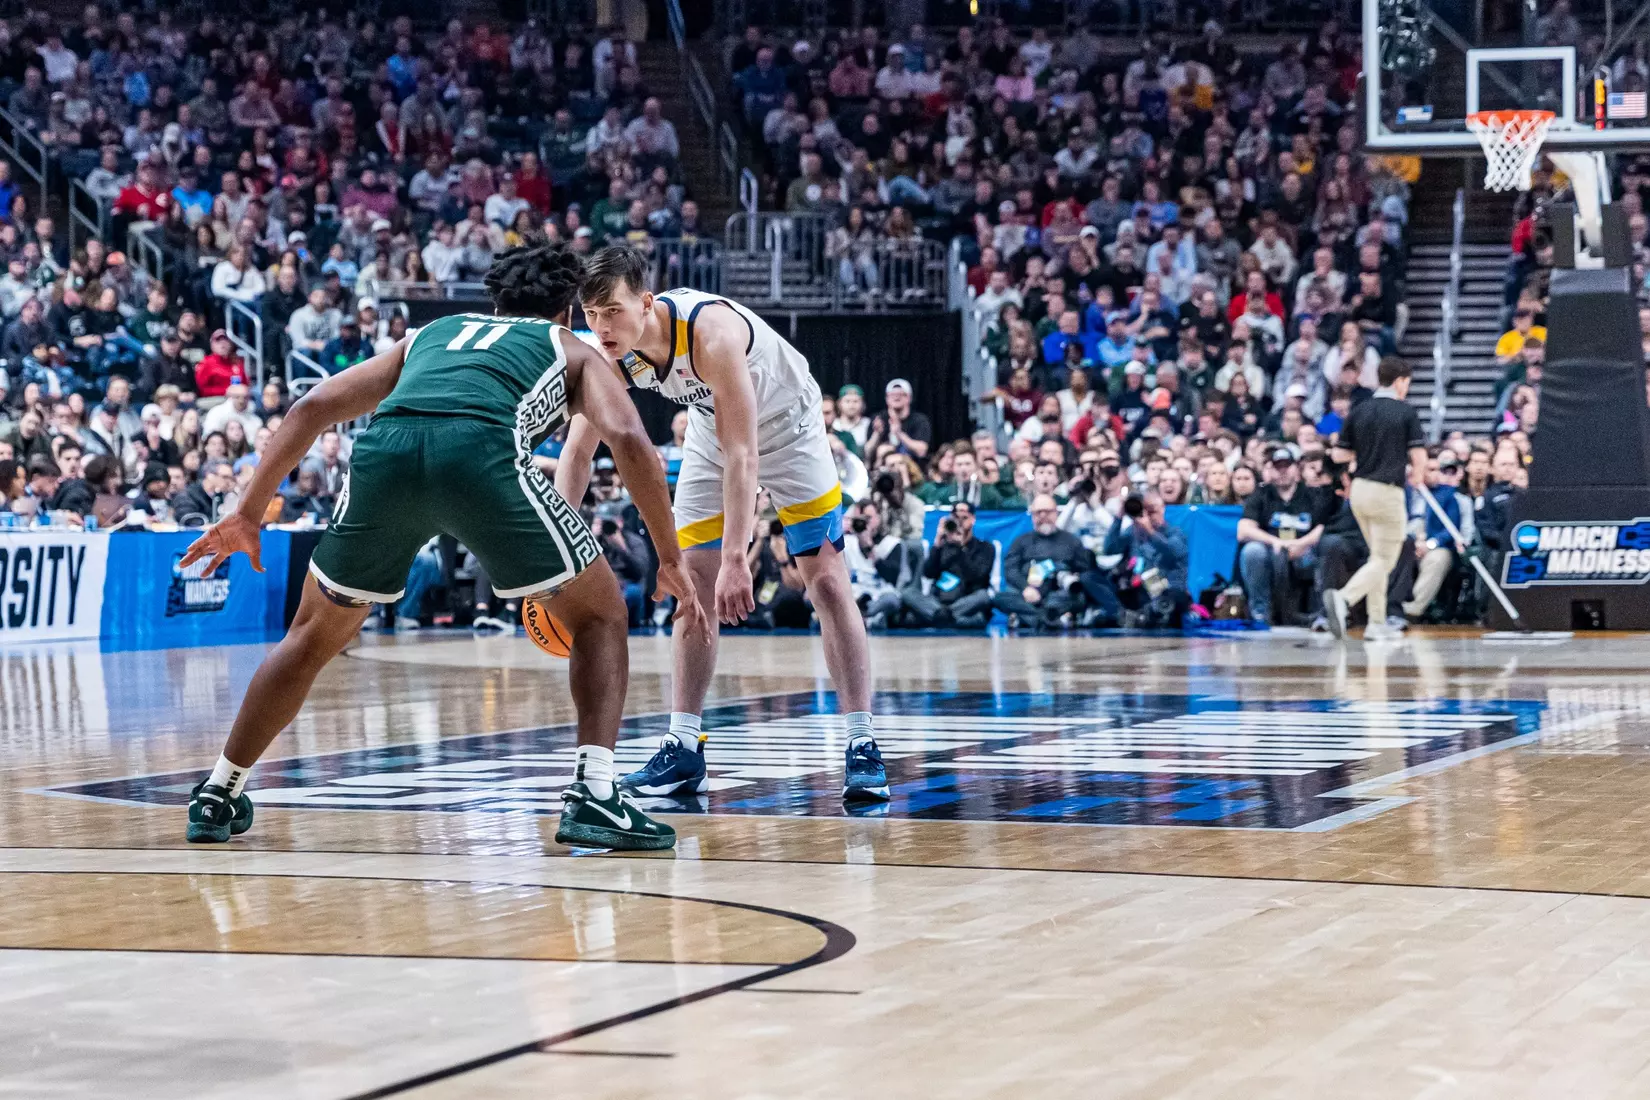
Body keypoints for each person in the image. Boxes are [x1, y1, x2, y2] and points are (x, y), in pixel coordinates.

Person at [178, 242, 706, 852]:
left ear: (497, 299)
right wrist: (668, 557)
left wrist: (247, 512)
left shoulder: (433, 331)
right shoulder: (572, 347)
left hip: (385, 455)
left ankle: (220, 789)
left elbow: (315, 405)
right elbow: (631, 441)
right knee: (601, 615)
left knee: (308, 637)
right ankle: (595, 794)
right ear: (566, 310)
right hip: (481, 455)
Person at [561, 246, 888, 802]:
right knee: (691, 584)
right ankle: (684, 747)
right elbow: (577, 453)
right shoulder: (605, 354)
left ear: (645, 303)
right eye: (590, 315)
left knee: (828, 582)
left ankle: (861, 742)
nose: (601, 326)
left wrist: (738, 556)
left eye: (612, 311)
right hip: (715, 432)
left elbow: (747, 457)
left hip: (791, 427)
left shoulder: (711, 332)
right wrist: (557, 552)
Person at [1323, 357, 1429, 642]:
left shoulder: (1359, 410)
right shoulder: (1405, 412)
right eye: (1407, 383)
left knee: (1376, 557)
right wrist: (1418, 474)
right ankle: (1343, 600)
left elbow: (1340, 455)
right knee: (1385, 559)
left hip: (1359, 491)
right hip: (1387, 492)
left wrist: (1364, 454)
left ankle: (1377, 622)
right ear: (1399, 381)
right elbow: (1418, 454)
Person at [1237, 448, 1332, 625]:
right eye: (1277, 467)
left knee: (1326, 548)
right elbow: (1243, 530)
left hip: (1306, 549)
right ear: (1270, 470)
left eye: (1287, 467)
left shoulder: (1311, 494)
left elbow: (1323, 526)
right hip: (1271, 550)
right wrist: (1276, 542)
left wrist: (1300, 544)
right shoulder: (1261, 494)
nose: (1282, 472)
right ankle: (1260, 613)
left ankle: (1322, 613)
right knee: (1252, 551)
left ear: (1296, 469)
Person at [993, 493, 1093, 630]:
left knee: (1078, 598)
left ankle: (1029, 618)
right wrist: (1025, 589)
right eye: (1038, 512)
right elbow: (1011, 570)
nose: (1043, 516)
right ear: (1032, 516)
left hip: (1058, 594)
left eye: (1048, 512)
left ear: (1056, 513)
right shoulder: (1021, 541)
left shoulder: (1071, 541)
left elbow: (1084, 569)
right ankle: (1050, 619)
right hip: (1027, 593)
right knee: (1000, 598)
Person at [904, 499, 996, 627]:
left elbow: (977, 576)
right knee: (909, 593)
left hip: (965, 600)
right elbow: (928, 573)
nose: (960, 522)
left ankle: (939, 617)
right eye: (956, 518)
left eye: (964, 517)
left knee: (983, 596)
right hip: (938, 601)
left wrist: (962, 548)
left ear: (973, 519)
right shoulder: (942, 546)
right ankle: (946, 617)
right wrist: (937, 544)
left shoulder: (985, 547)